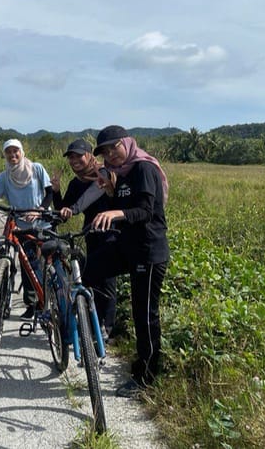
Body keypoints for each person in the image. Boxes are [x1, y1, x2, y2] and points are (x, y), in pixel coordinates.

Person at [89, 125, 170, 398]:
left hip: (149, 251)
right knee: (92, 269)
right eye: (105, 152)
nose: (111, 154)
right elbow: (124, 199)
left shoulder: (143, 169)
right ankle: (95, 328)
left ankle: (146, 377)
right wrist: (112, 191)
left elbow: (146, 211)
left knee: (145, 314)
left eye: (115, 147)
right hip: (129, 248)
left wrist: (115, 212)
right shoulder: (121, 174)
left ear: (127, 143)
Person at [52, 139, 124, 342]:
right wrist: (56, 192)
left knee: (107, 282)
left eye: (78, 155)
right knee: (90, 280)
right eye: (71, 157)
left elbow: (87, 199)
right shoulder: (75, 183)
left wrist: (73, 208)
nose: (74, 160)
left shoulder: (103, 173)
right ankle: (92, 323)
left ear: (89, 155)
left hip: (111, 233)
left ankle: (107, 328)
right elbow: (64, 211)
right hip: (90, 234)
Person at [0, 139, 53, 321]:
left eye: (16, 151)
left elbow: (50, 192)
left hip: (41, 223)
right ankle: (33, 304)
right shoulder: (6, 176)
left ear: (22, 152)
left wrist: (40, 211)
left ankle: (51, 301)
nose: (13, 155)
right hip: (20, 225)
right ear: (5, 155)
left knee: (44, 263)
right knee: (27, 264)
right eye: (9, 152)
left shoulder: (36, 168)